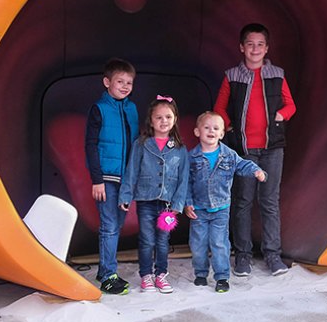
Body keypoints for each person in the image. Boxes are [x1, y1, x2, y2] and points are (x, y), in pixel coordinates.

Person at [214, 22, 296, 277]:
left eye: (260, 44)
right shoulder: (232, 76)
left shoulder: (277, 74)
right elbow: (219, 108)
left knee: (269, 201)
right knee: (243, 202)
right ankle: (243, 257)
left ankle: (273, 255)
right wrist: (228, 128)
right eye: (250, 44)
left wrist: (281, 115)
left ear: (267, 48)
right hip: (244, 150)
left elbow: (291, 105)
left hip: (272, 149)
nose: (255, 48)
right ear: (242, 47)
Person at [185, 111, 266, 293]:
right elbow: (186, 182)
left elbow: (243, 164)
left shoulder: (228, 155)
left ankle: (222, 277)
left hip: (221, 208)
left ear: (222, 133)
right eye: (207, 127)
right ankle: (200, 273)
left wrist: (256, 171)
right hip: (198, 209)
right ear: (197, 132)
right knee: (198, 244)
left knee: (219, 243)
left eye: (216, 128)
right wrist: (187, 202)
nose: (211, 131)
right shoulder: (191, 157)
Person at [119, 95, 190, 293]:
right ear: (151, 120)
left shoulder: (180, 149)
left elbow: (183, 179)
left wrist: (178, 204)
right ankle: (146, 275)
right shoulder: (141, 144)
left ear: (175, 119)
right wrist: (125, 195)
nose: (163, 121)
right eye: (158, 117)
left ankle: (161, 274)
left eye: (168, 117)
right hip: (146, 201)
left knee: (162, 241)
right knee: (147, 239)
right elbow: (131, 171)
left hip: (167, 205)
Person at [85, 58, 139, 294]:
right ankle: (108, 276)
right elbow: (90, 146)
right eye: (120, 81)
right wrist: (97, 180)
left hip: (126, 179)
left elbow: (137, 143)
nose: (125, 86)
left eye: (129, 82)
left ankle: (103, 269)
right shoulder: (99, 109)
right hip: (106, 179)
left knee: (115, 225)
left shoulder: (132, 108)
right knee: (109, 226)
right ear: (107, 82)